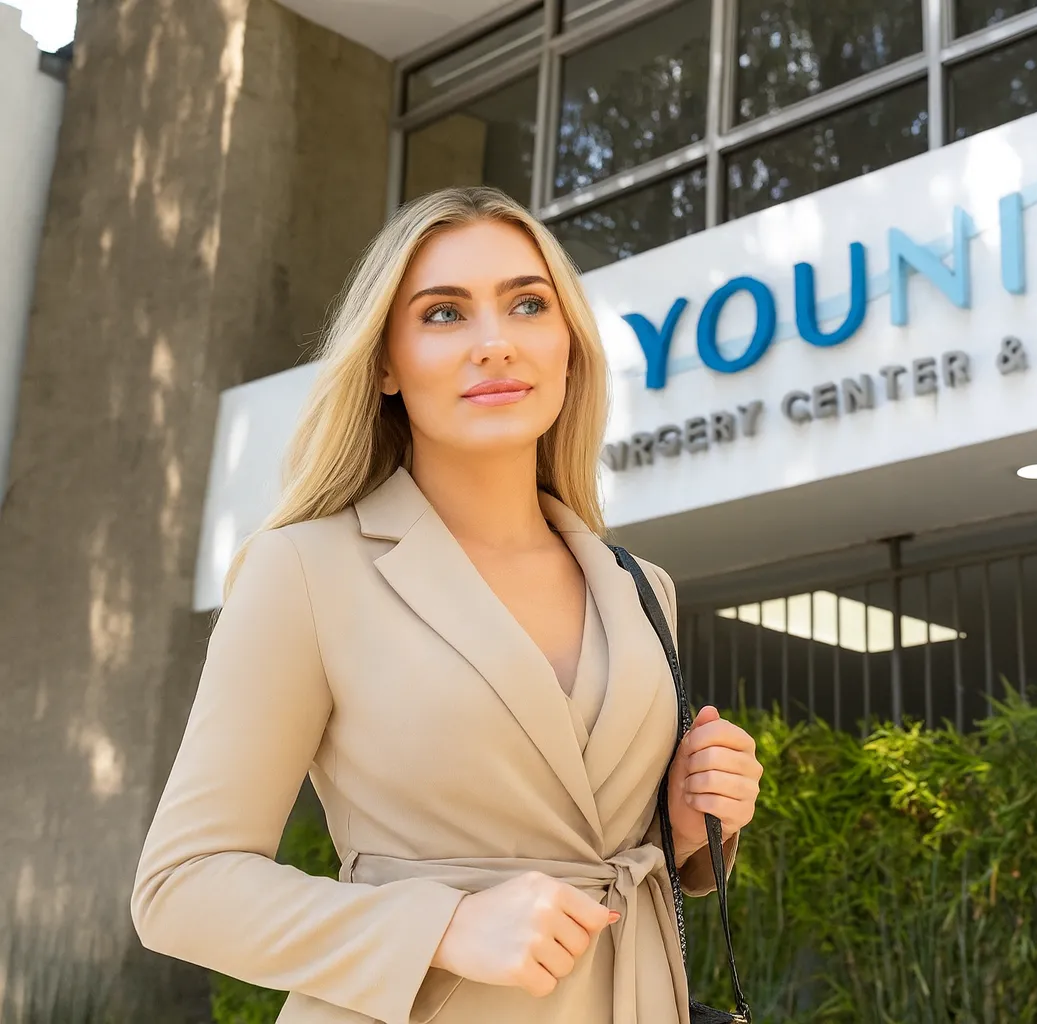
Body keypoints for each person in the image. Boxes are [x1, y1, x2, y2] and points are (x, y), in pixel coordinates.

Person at [131, 186, 764, 1024]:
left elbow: (604, 844)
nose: (495, 344)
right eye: (443, 314)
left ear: (567, 346)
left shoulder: (641, 587)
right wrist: (446, 925)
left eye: (528, 305)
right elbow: (181, 887)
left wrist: (689, 834)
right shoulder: (306, 571)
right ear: (386, 363)